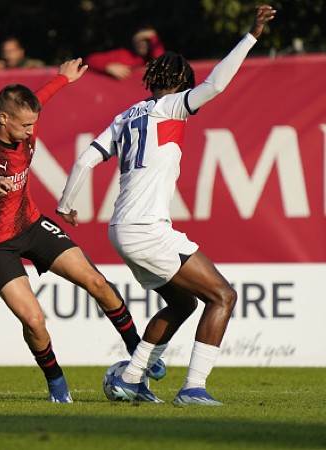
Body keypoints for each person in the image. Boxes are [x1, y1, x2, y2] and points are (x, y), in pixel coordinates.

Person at [57, 5, 276, 405]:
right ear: (180, 84)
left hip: (120, 229)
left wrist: (67, 204)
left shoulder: (125, 117)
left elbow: (86, 158)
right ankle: (193, 388)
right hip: (146, 227)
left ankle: (132, 376)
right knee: (223, 296)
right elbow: (217, 85)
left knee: (182, 302)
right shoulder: (172, 106)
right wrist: (252, 36)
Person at [0, 58, 165, 403]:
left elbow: (38, 101)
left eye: (34, 123)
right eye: (25, 125)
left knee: (97, 282)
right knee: (34, 320)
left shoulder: (23, 123)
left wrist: (63, 79)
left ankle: (138, 351)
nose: (32, 131)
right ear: (4, 119)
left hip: (30, 224)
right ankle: (57, 384)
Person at [86, 27, 164, 80]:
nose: (143, 44)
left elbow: (161, 65)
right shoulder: (123, 54)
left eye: (147, 41)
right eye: (140, 40)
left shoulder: (154, 62)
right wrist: (107, 66)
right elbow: (90, 60)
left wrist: (154, 37)